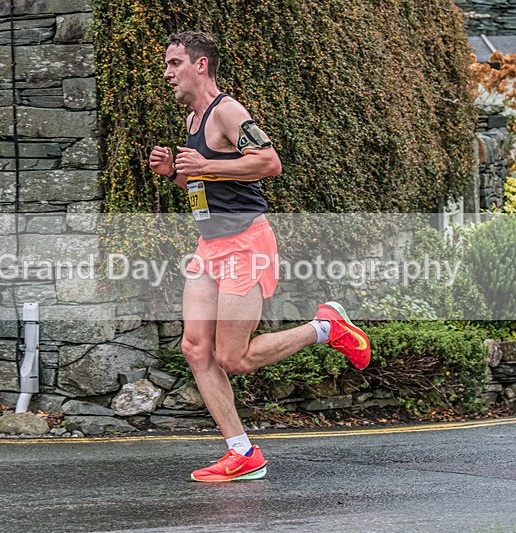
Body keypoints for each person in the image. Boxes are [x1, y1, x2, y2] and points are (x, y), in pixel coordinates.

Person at [149, 31, 370, 482]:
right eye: (167, 65)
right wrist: (176, 173)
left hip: (246, 244)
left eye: (174, 63)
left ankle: (326, 327)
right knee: (195, 348)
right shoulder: (193, 122)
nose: (168, 73)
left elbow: (269, 163)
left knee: (234, 358)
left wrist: (204, 166)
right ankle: (242, 452)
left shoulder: (228, 112)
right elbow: (206, 190)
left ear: (201, 65)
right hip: (208, 247)